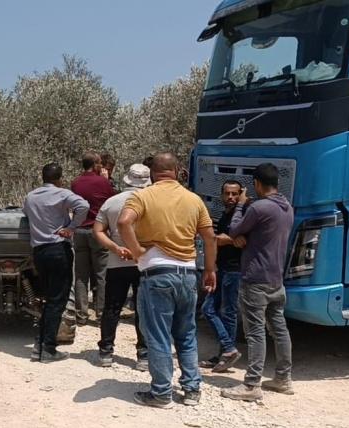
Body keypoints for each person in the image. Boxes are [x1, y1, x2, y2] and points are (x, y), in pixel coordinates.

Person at [118, 153, 216, 408]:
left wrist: (137, 250)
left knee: (158, 335)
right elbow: (209, 237)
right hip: (188, 274)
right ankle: (192, 389)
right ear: (177, 171)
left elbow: (124, 222)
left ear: (152, 173)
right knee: (187, 334)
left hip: (156, 274)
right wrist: (210, 270)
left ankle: (161, 393)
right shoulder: (193, 199)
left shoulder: (142, 196)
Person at [220, 163, 295, 401]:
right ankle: (283, 378)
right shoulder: (287, 207)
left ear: (257, 184)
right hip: (276, 279)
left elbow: (234, 229)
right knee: (279, 329)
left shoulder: (259, 207)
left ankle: (252, 384)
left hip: (255, 279)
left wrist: (240, 205)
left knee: (255, 333)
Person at [23, 162, 90, 362]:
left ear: (42, 177)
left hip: (39, 252)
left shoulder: (31, 196)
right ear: (60, 179)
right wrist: (71, 227)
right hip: (58, 249)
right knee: (57, 300)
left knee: (49, 299)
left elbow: (26, 214)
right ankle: (48, 349)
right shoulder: (62, 194)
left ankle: (40, 345)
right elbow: (84, 206)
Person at [92, 163, 151, 370]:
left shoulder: (112, 202)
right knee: (143, 309)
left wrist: (116, 248)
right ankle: (143, 355)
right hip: (144, 262)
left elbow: (98, 230)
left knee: (112, 307)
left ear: (127, 179)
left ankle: (106, 351)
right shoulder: (152, 201)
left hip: (116, 263)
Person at [199, 181, 246, 372]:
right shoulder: (225, 215)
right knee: (210, 309)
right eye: (227, 193)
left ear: (240, 194)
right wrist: (226, 240)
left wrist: (226, 240)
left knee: (227, 313)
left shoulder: (243, 215)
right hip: (221, 269)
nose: (231, 197)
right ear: (221, 195)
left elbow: (244, 240)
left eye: (235, 194)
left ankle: (227, 351)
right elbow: (216, 240)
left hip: (234, 270)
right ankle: (226, 351)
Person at [70, 151, 116, 325]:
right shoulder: (102, 182)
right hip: (98, 231)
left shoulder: (75, 183)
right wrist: (106, 180)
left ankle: (81, 314)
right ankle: (101, 312)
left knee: (81, 275)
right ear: (96, 165)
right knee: (101, 273)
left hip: (79, 231)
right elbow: (112, 201)